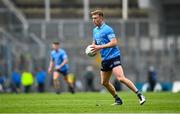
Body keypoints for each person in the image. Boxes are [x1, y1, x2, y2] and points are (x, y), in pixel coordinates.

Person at [90, 10, 146, 105]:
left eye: (95, 18)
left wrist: (99, 47)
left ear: (101, 18)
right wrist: (92, 50)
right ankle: (117, 100)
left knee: (120, 78)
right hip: (104, 59)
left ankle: (139, 95)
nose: (93, 20)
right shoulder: (95, 30)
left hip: (114, 56)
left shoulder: (108, 29)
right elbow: (95, 43)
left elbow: (114, 42)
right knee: (104, 82)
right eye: (92, 18)